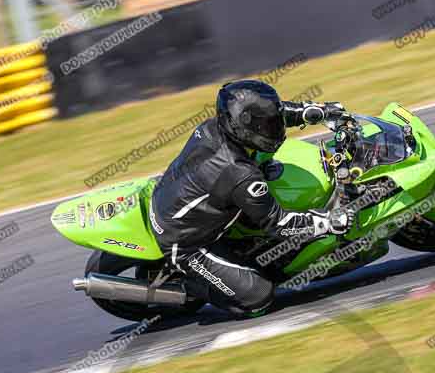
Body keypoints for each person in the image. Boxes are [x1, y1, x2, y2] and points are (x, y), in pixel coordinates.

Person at [149, 80, 354, 318]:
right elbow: (279, 224)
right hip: (185, 242)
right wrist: (328, 222)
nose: (274, 128)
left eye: (270, 123)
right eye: (266, 126)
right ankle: (189, 288)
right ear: (244, 127)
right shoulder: (240, 173)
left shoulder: (217, 126)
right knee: (259, 298)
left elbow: (271, 113)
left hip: (178, 198)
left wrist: (316, 112)